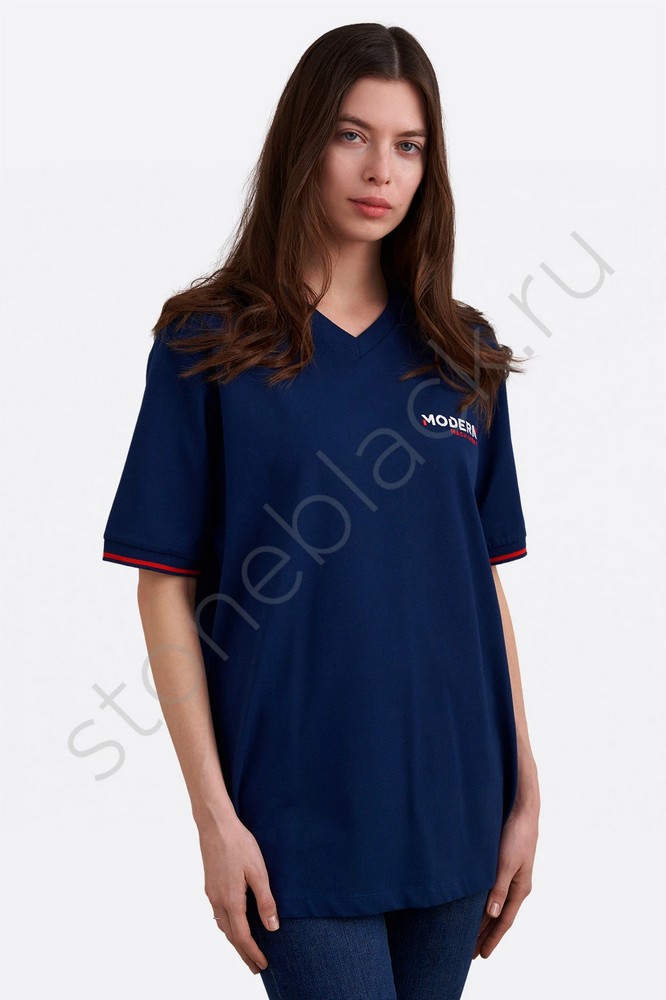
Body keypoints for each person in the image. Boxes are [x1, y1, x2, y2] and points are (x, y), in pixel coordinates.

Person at [101, 22, 540, 1000]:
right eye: (352, 134)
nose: (381, 170)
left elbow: (482, 588)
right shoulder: (208, 343)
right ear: (303, 141)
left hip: (458, 807)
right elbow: (164, 589)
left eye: (408, 144)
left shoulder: (464, 355)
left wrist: (526, 788)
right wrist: (213, 818)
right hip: (293, 814)